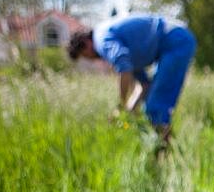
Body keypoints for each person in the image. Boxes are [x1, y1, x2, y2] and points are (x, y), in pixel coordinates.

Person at [68, 14, 196, 144]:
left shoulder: (101, 40)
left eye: (86, 56)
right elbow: (144, 85)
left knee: (156, 108)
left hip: (175, 41)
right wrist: (128, 110)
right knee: (149, 107)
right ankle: (162, 151)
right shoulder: (117, 42)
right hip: (171, 42)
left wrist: (121, 105)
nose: (92, 60)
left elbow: (124, 69)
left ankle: (165, 155)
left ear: (86, 44)